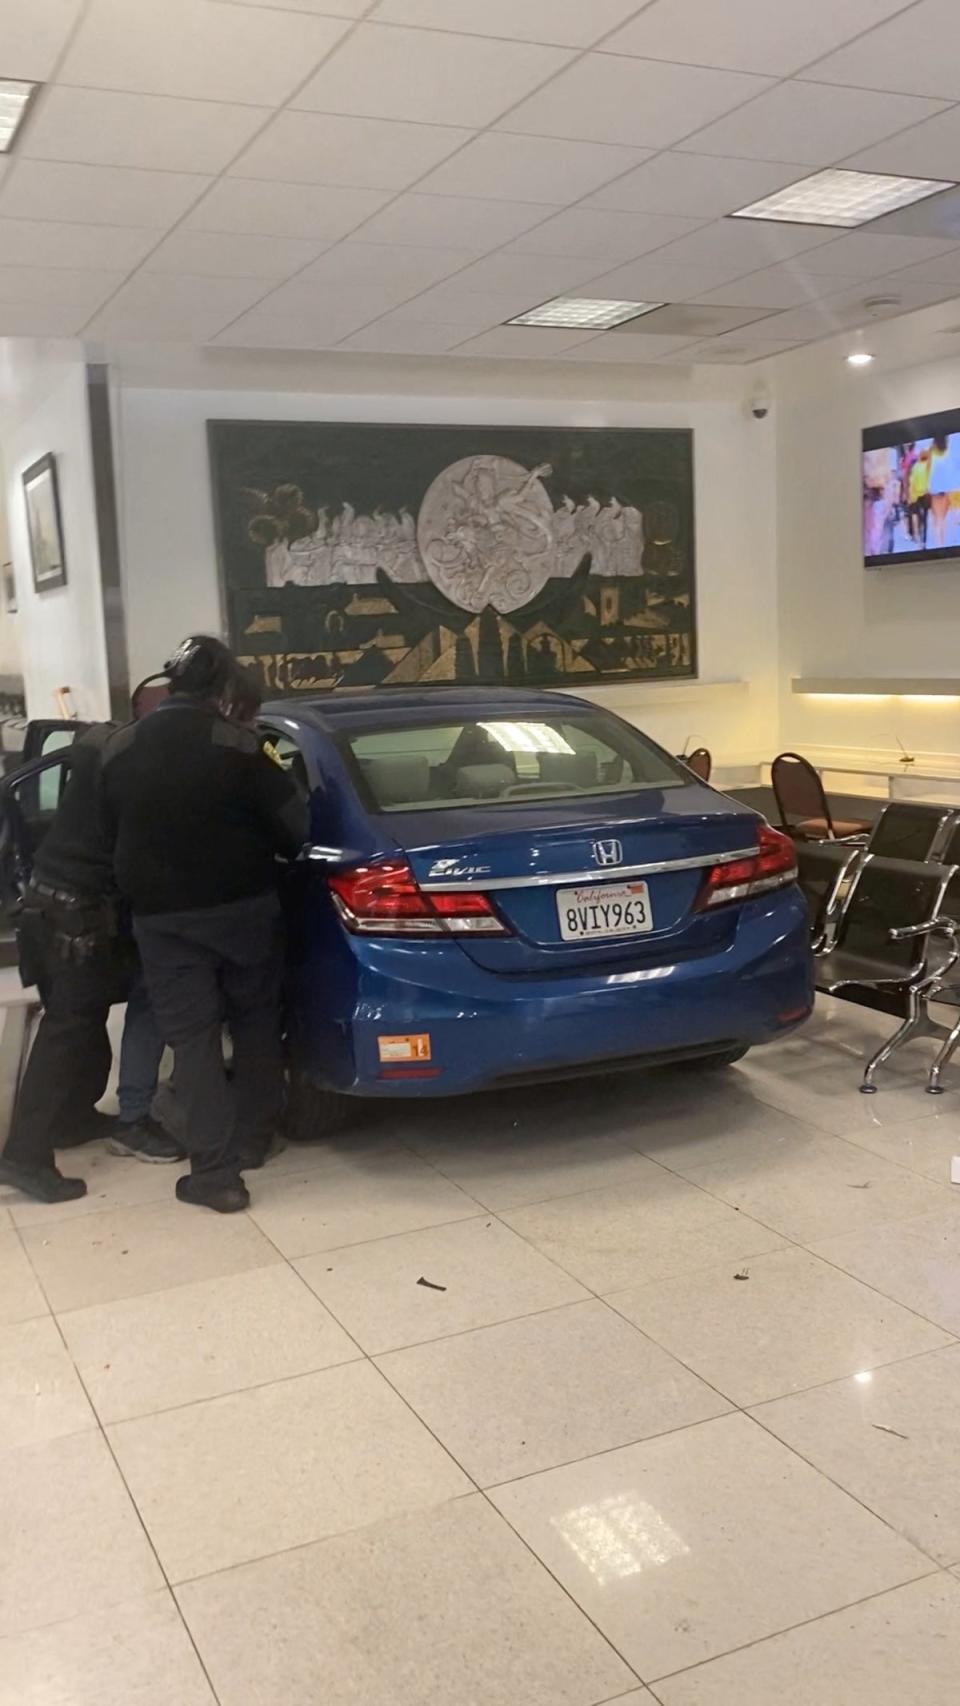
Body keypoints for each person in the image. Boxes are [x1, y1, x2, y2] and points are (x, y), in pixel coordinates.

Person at [99, 636, 308, 1214]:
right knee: (257, 1024)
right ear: (222, 689)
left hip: (163, 924)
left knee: (191, 1043)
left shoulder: (119, 748)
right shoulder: (241, 747)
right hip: (244, 914)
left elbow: (106, 834)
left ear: (169, 684)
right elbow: (295, 828)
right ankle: (252, 1142)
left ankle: (214, 1175)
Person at [0, 723, 183, 1205]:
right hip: (74, 917)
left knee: (81, 1019)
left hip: (52, 910)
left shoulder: (96, 765)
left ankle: (72, 1117)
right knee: (68, 1028)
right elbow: (136, 861)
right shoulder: (130, 780)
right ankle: (24, 1154)